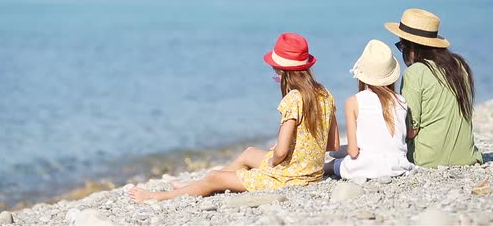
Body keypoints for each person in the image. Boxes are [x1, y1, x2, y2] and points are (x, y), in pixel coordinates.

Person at [129, 32, 339, 203]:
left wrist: (275, 158)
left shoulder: (293, 99)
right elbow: (333, 143)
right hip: (312, 172)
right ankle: (194, 186)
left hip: (290, 178)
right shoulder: (325, 95)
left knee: (214, 178)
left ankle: (160, 196)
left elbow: (282, 151)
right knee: (248, 153)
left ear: (281, 70)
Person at [385, 8, 483, 167]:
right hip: (467, 156)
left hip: (427, 159)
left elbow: (411, 130)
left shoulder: (414, 73)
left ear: (412, 47)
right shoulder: (460, 66)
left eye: (402, 46)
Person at [324, 39, 414, 179]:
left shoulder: (354, 101)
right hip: (398, 165)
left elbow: (353, 152)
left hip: (365, 167)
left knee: (333, 163)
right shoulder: (401, 101)